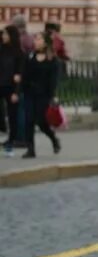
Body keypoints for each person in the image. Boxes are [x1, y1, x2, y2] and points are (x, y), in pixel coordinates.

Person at [18, 32, 60, 158]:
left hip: (44, 95)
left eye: (38, 39)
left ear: (45, 42)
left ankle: (53, 139)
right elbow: (24, 74)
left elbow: (53, 79)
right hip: (30, 93)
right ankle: (31, 149)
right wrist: (21, 88)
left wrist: (53, 95)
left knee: (41, 122)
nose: (35, 42)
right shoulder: (30, 56)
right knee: (29, 121)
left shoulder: (52, 60)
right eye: (35, 39)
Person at [0, 21, 23, 155]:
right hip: (1, 84)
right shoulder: (2, 49)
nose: (3, 35)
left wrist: (16, 91)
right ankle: (2, 126)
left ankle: (12, 138)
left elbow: (20, 73)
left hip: (11, 87)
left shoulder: (18, 53)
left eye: (5, 33)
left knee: (13, 113)